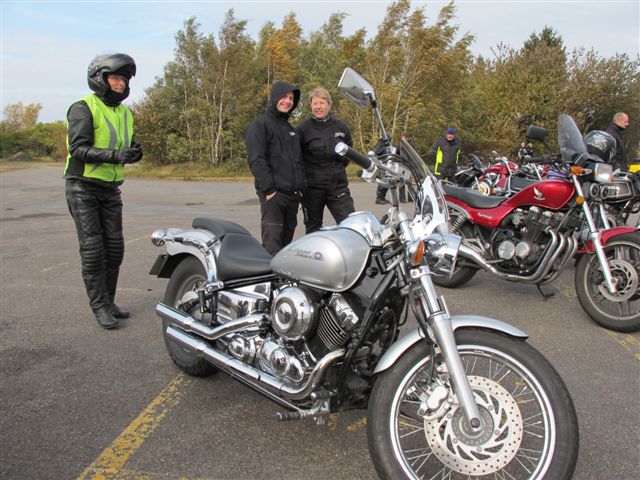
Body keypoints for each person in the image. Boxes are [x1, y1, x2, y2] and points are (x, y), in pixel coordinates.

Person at [64, 53, 142, 329]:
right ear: (100, 78)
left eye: (125, 79)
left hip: (110, 189)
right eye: (116, 77)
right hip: (83, 187)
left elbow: (127, 145)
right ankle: (99, 306)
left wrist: (134, 153)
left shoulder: (125, 113)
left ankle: (109, 302)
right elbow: (78, 149)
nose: (121, 83)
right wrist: (116, 156)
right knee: (93, 251)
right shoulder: (83, 108)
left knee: (115, 249)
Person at [245, 81, 305, 255]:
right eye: (284, 97)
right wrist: (270, 191)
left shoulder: (291, 130)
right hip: (274, 197)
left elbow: (298, 161)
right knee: (272, 246)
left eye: (291, 98)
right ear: (275, 97)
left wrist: (302, 189)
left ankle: (281, 274)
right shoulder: (260, 125)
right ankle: (269, 274)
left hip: (292, 197)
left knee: (285, 247)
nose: (288, 101)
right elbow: (256, 160)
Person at [297, 87, 355, 233]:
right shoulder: (303, 129)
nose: (318, 107)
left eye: (322, 103)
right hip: (312, 189)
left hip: (338, 186)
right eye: (315, 103)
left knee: (352, 226)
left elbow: (348, 153)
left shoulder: (341, 127)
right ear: (311, 105)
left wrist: (337, 170)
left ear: (329, 104)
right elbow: (297, 158)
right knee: (313, 229)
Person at [375, 132, 415, 204]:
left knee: (407, 182)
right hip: (387, 165)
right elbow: (383, 154)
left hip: (396, 165)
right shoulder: (382, 146)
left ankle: (381, 197)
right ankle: (380, 198)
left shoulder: (409, 145)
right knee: (389, 182)